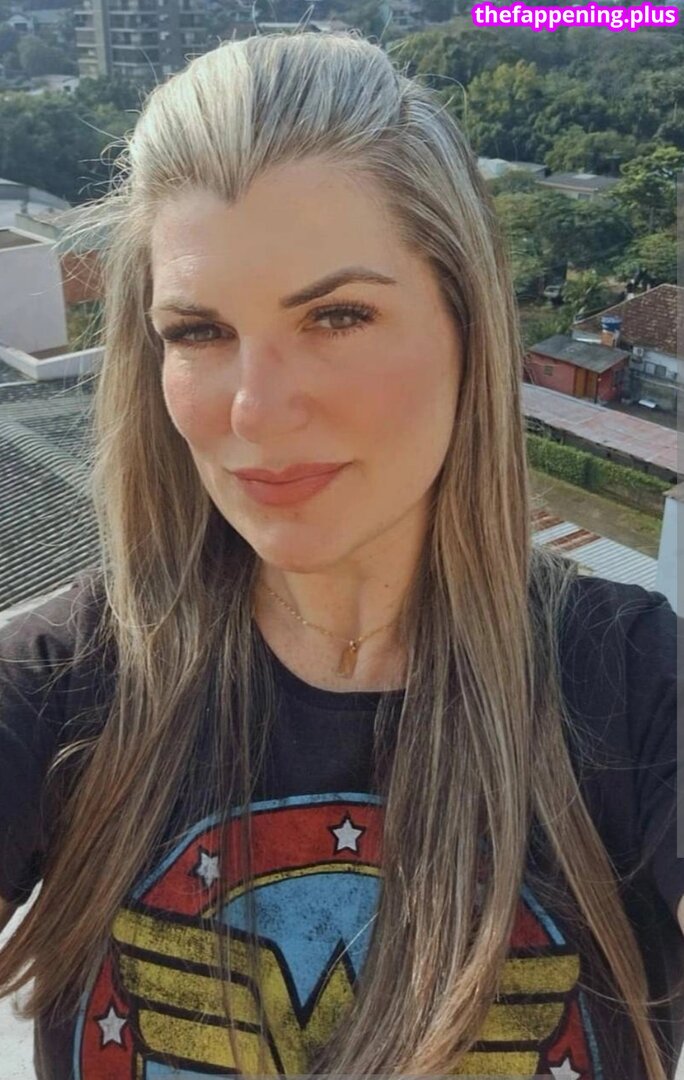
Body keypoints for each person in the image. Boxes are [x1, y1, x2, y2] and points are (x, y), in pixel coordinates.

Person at [0, 28, 682, 1080]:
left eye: (338, 315)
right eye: (198, 332)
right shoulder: (59, 683)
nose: (256, 411)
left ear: (468, 326)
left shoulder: (637, 686)